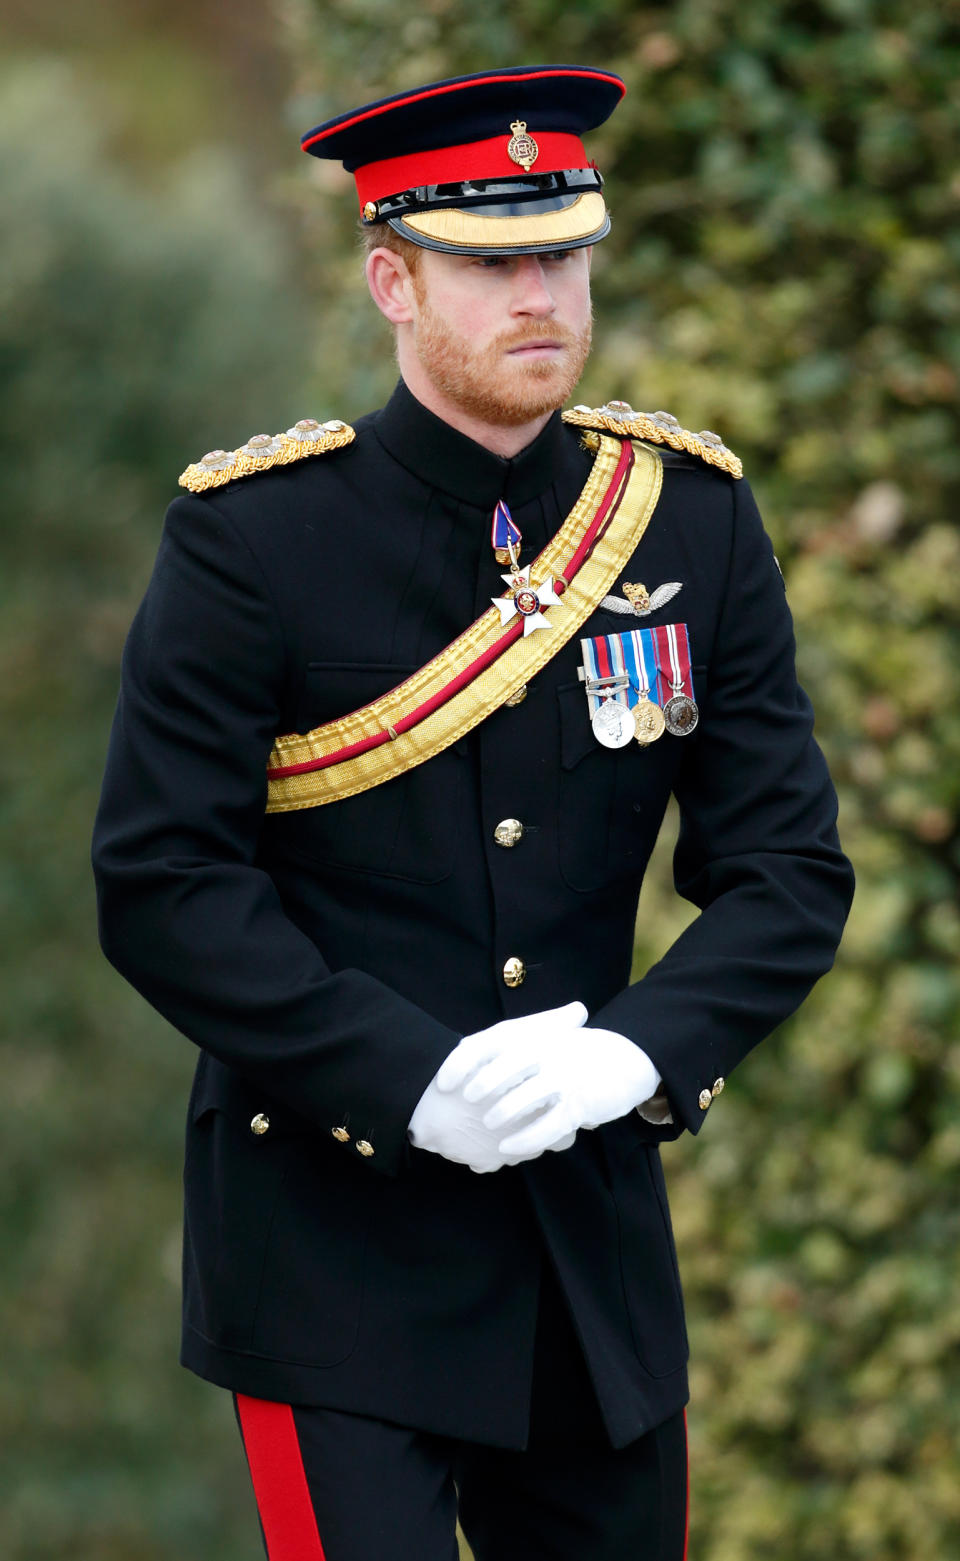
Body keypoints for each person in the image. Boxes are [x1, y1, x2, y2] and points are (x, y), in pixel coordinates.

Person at [92, 64, 854, 1561]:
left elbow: (787, 870)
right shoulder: (259, 538)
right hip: (334, 1248)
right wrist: (406, 1078)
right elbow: (165, 878)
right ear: (391, 278)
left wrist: (642, 1051)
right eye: (493, 263)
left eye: (565, 252)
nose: (544, 295)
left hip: (591, 1255)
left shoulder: (687, 519)